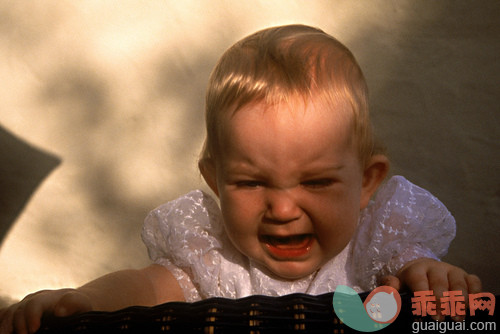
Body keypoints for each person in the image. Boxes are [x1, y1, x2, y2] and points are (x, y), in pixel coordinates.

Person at [0, 24, 481, 334]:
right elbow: (145, 288)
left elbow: (426, 286)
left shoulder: (379, 245)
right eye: (251, 184)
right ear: (214, 179)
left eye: (315, 183)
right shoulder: (212, 254)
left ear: (367, 182)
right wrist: (84, 300)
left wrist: (435, 280)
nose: (284, 209)